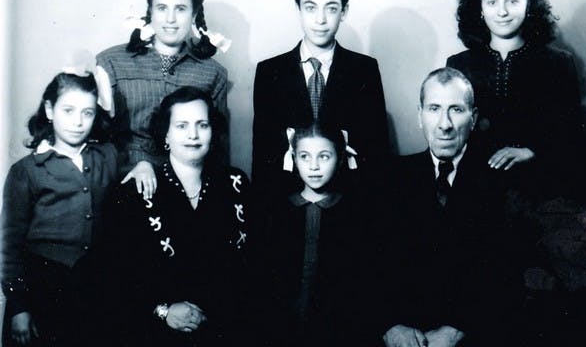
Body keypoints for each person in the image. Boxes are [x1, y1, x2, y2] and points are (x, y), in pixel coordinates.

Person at [377, 68, 515, 347]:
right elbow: (369, 263)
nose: (444, 124)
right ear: (419, 116)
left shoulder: (503, 182)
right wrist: (390, 326)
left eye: (456, 110)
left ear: (474, 118)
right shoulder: (390, 178)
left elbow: (505, 271)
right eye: (434, 109)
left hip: (474, 334)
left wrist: (458, 329)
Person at [105, 87, 249, 346]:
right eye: (181, 126)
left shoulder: (235, 182)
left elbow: (249, 267)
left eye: (202, 125)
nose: (193, 135)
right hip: (155, 331)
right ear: (166, 134)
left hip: (225, 328)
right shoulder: (135, 191)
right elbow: (116, 275)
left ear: (213, 131)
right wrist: (164, 311)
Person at [1, 67, 117, 346]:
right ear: (50, 110)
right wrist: (18, 306)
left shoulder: (107, 157)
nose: (77, 122)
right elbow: (9, 246)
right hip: (42, 287)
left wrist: (143, 165)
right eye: (68, 111)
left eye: (87, 113)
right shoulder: (27, 171)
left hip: (94, 286)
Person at [446, 0, 583, 198]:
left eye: (512, 1)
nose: (502, 12)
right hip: (476, 186)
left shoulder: (558, 62)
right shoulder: (459, 64)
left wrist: (532, 151)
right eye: (491, 2)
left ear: (529, 5)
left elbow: (571, 134)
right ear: (479, 7)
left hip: (541, 187)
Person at [252, 0, 389, 195]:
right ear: (298, 10)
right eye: (310, 8)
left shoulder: (364, 69)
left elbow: (376, 151)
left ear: (344, 12)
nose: (320, 19)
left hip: (348, 200)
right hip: (287, 203)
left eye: (331, 8)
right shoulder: (270, 72)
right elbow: (263, 156)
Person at [97, 0, 228, 200]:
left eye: (180, 9)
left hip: (187, 187)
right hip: (121, 181)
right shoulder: (111, 62)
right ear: (150, 12)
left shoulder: (213, 73)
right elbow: (97, 137)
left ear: (194, 14)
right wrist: (139, 163)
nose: (170, 19)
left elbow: (216, 146)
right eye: (161, 8)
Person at [258, 123, 369, 347]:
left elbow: (358, 284)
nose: (314, 166)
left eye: (324, 156)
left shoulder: (354, 214)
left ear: (339, 159)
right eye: (305, 157)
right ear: (294, 159)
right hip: (283, 332)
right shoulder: (278, 213)